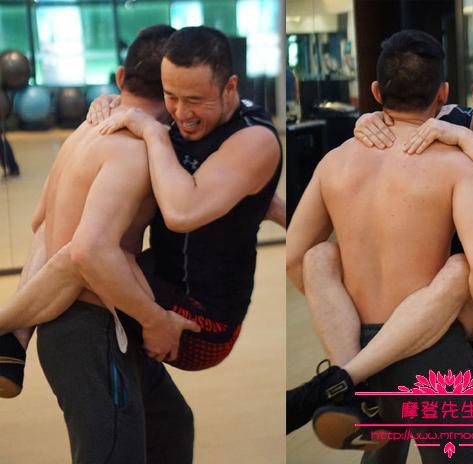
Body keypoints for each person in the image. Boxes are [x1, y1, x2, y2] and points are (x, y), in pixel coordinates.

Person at [0, 25, 282, 463]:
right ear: (163, 88)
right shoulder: (139, 147)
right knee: (91, 250)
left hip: (103, 313)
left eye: (194, 99)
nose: (182, 112)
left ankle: (11, 339)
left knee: (171, 429)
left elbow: (41, 222)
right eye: (174, 98)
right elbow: (88, 252)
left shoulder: (90, 129)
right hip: (94, 327)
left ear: (120, 78)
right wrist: (155, 319)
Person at [287, 43, 473, 440]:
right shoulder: (443, 117)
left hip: (470, 297)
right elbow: (402, 116)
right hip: (410, 288)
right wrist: (371, 120)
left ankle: (344, 380)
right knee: (320, 255)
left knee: (465, 267)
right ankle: (352, 385)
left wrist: (464, 140)